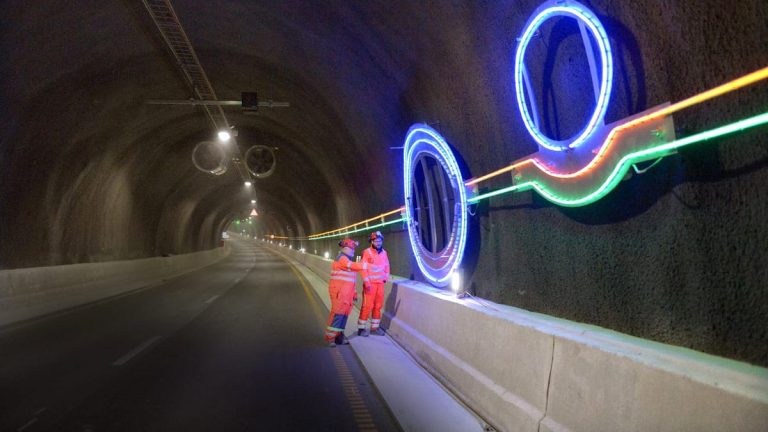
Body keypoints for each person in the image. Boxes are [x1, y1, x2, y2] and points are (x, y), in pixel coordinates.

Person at [325, 238, 380, 347]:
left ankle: (339, 337)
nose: (354, 251)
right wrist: (367, 266)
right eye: (352, 249)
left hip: (346, 294)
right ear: (345, 248)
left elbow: (351, 281)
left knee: (344, 316)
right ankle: (330, 338)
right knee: (337, 315)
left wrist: (354, 293)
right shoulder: (342, 259)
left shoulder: (347, 260)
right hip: (339, 294)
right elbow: (353, 266)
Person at [357, 231, 391, 337]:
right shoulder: (367, 252)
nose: (378, 242)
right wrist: (366, 281)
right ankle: (361, 328)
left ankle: (374, 328)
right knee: (367, 306)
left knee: (378, 306)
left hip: (380, 284)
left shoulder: (384, 253)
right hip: (370, 284)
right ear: (371, 241)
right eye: (376, 241)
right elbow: (362, 268)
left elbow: (387, 266)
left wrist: (385, 278)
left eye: (380, 240)